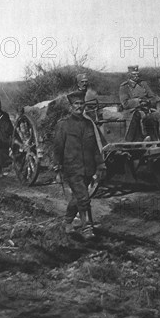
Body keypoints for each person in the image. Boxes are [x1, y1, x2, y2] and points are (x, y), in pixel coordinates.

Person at [53, 90, 107, 239]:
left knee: (77, 199)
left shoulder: (89, 124)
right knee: (83, 198)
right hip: (72, 168)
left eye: (81, 103)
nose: (79, 106)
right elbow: (58, 148)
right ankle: (87, 228)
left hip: (88, 168)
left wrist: (100, 164)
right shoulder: (63, 125)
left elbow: (95, 148)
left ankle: (67, 221)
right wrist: (57, 168)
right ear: (70, 106)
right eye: (76, 104)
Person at [118, 65, 160, 141]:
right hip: (131, 112)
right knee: (138, 115)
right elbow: (125, 104)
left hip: (147, 109)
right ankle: (137, 139)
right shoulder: (124, 87)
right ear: (129, 75)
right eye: (134, 74)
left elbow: (153, 97)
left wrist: (148, 101)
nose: (136, 76)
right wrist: (138, 101)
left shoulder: (143, 84)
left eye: (137, 74)